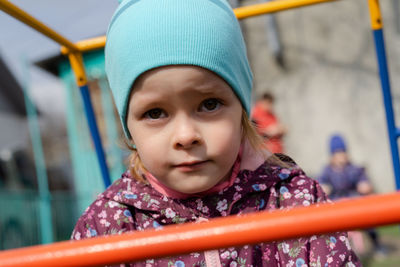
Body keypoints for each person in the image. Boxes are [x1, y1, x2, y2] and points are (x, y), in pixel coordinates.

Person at [71, 1, 360, 266]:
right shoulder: (108, 227)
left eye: (209, 105)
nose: (185, 136)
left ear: (242, 110)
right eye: (155, 113)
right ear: (129, 128)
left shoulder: (294, 200)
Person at [318, 134, 386, 257]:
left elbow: (364, 181)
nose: (341, 156)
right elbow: (321, 183)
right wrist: (324, 188)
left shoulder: (353, 168)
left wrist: (365, 185)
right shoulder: (327, 171)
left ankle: (376, 244)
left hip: (353, 203)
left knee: (367, 219)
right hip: (336, 204)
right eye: (338, 153)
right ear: (332, 155)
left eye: (343, 152)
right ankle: (333, 251)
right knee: (331, 227)